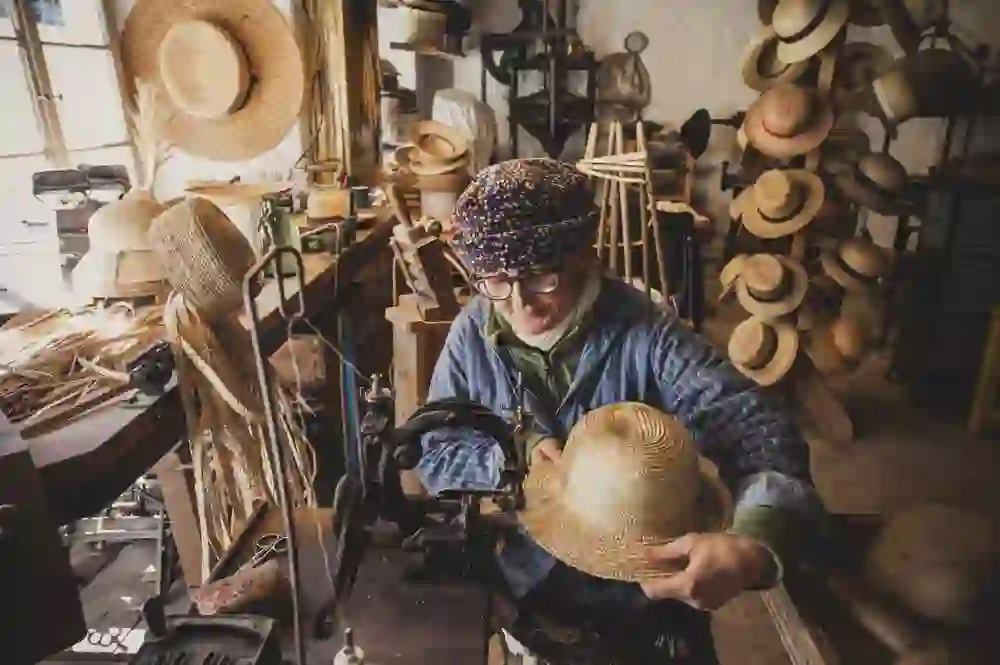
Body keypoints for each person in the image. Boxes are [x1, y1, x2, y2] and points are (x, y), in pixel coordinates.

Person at [415, 158, 825, 665]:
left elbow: (762, 436)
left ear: (585, 256)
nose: (518, 302)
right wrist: (512, 458)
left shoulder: (651, 337)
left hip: (648, 602)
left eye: (540, 275)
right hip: (526, 594)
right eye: (495, 280)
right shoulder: (474, 329)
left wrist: (754, 543)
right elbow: (435, 447)